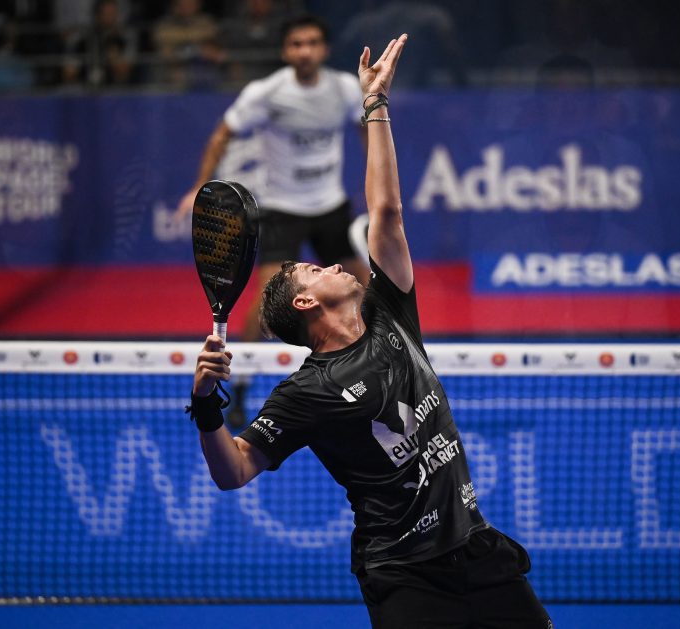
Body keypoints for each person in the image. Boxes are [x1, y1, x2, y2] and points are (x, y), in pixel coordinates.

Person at [187, 34, 552, 629]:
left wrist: (375, 105)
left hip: (476, 549)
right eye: (316, 268)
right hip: (402, 572)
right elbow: (236, 472)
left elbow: (386, 212)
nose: (333, 264)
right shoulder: (305, 393)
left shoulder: (390, 310)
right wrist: (205, 408)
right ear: (306, 300)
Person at [177, 13, 371, 425]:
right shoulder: (266, 93)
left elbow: (365, 129)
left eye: (313, 42)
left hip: (331, 206)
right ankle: (242, 380)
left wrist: (377, 176)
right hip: (282, 208)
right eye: (297, 43)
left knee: (366, 288)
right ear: (286, 51)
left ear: (324, 49)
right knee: (266, 301)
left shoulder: (344, 89)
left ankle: (372, 367)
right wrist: (200, 183)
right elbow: (222, 133)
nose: (305, 50)